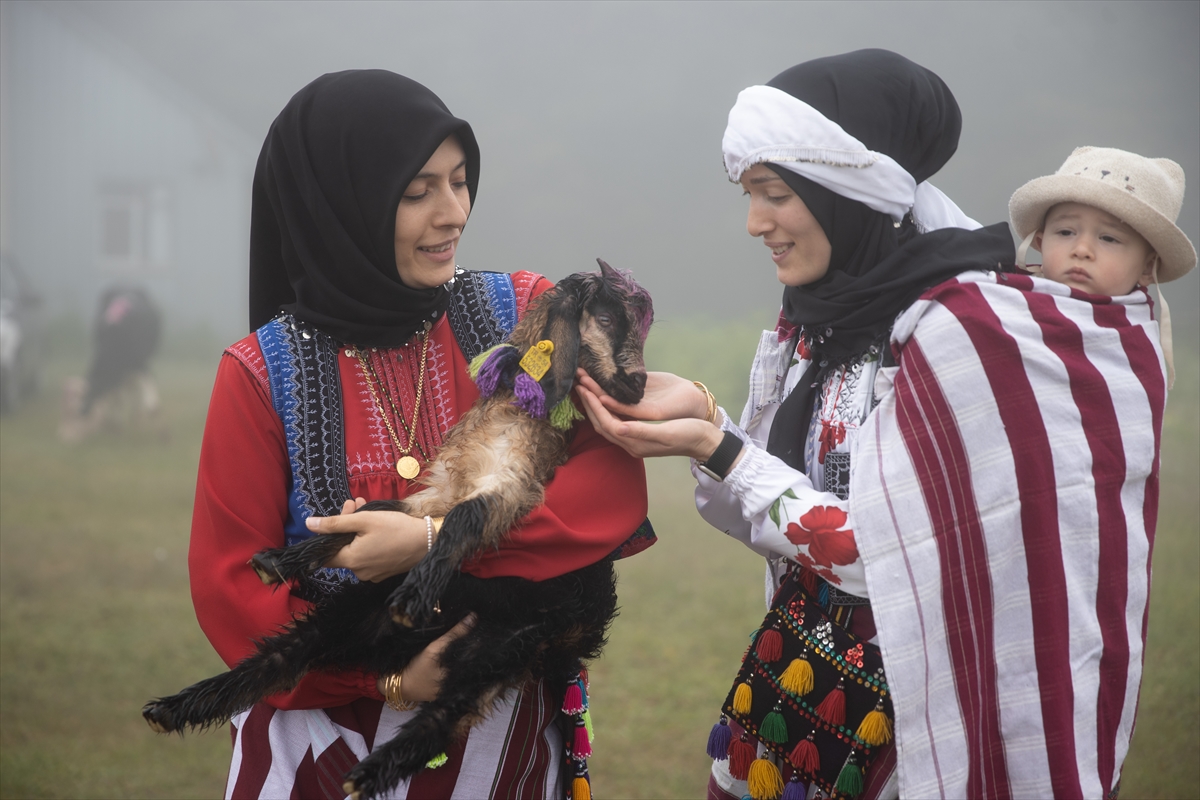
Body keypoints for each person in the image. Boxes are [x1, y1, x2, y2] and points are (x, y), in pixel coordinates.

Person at [188, 70, 649, 800]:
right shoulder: (258, 373)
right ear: (337, 207)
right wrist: (386, 676)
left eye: (461, 180)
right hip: (323, 750)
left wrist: (435, 541)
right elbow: (232, 589)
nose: (453, 212)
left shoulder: (524, 312)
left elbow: (607, 482)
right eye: (416, 192)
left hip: (504, 742)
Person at [580, 49, 1013, 800]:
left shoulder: (958, 334)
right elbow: (746, 514)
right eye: (750, 193)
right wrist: (706, 421)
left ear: (847, 188)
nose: (754, 223)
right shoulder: (808, 322)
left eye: (774, 192)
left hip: (910, 735)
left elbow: (888, 559)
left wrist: (718, 445)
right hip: (797, 696)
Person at [1009, 145, 1194, 386]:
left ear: (1148, 268)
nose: (1082, 250)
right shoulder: (1001, 310)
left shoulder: (1136, 359)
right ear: (1041, 243)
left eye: (1108, 238)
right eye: (1065, 232)